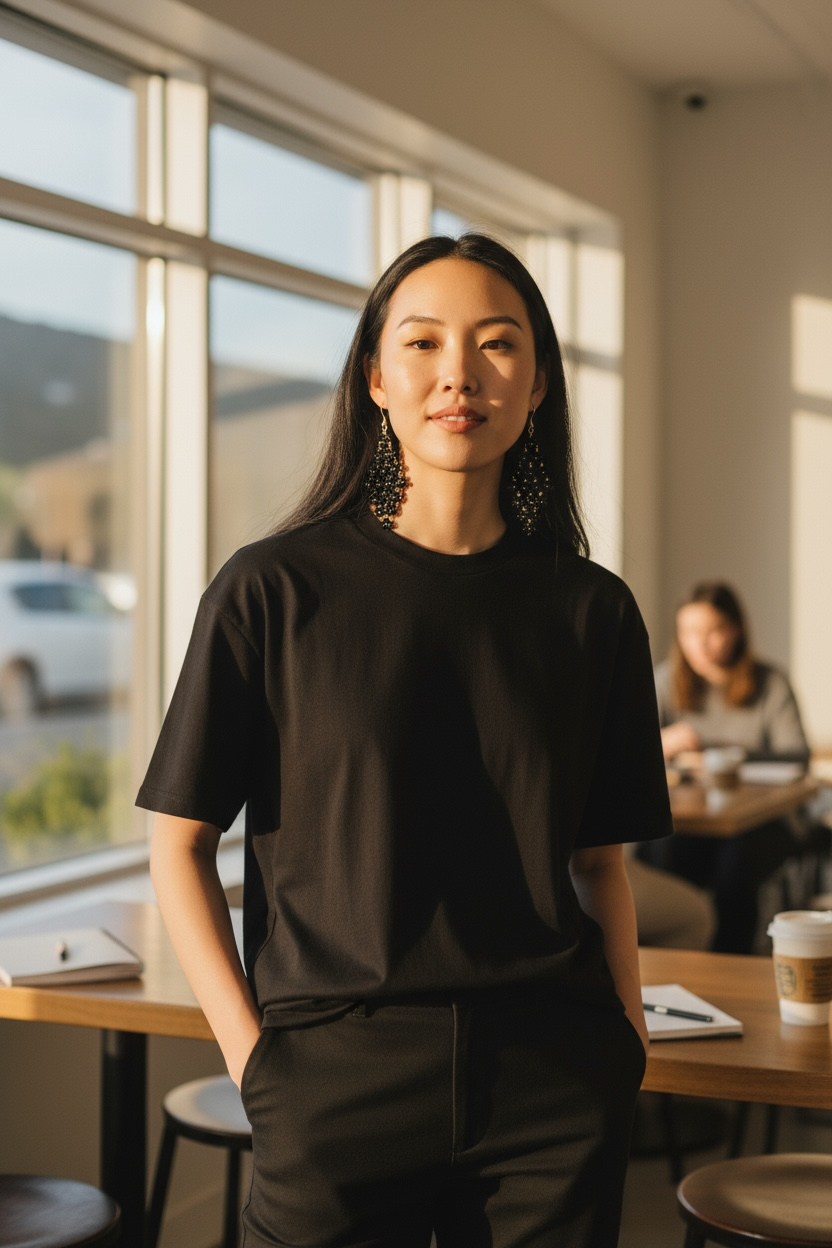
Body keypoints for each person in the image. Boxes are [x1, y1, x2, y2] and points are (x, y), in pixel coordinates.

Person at [137, 233, 672, 1248]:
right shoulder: (272, 591)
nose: (459, 375)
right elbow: (178, 846)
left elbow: (600, 862)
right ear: (376, 380)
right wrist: (260, 1065)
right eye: (423, 344)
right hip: (335, 1081)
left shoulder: (590, 609)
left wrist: (625, 1043)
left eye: (497, 345)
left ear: (540, 384)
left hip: (553, 1080)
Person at [640, 580, 810, 954]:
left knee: (734, 869)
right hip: (694, 819)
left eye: (713, 631)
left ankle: (730, 963)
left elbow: (797, 756)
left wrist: (719, 756)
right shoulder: (667, 681)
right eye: (689, 633)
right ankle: (682, 967)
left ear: (736, 630)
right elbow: (629, 749)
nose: (699, 644)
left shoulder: (769, 683)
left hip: (763, 819)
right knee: (663, 852)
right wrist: (662, 742)